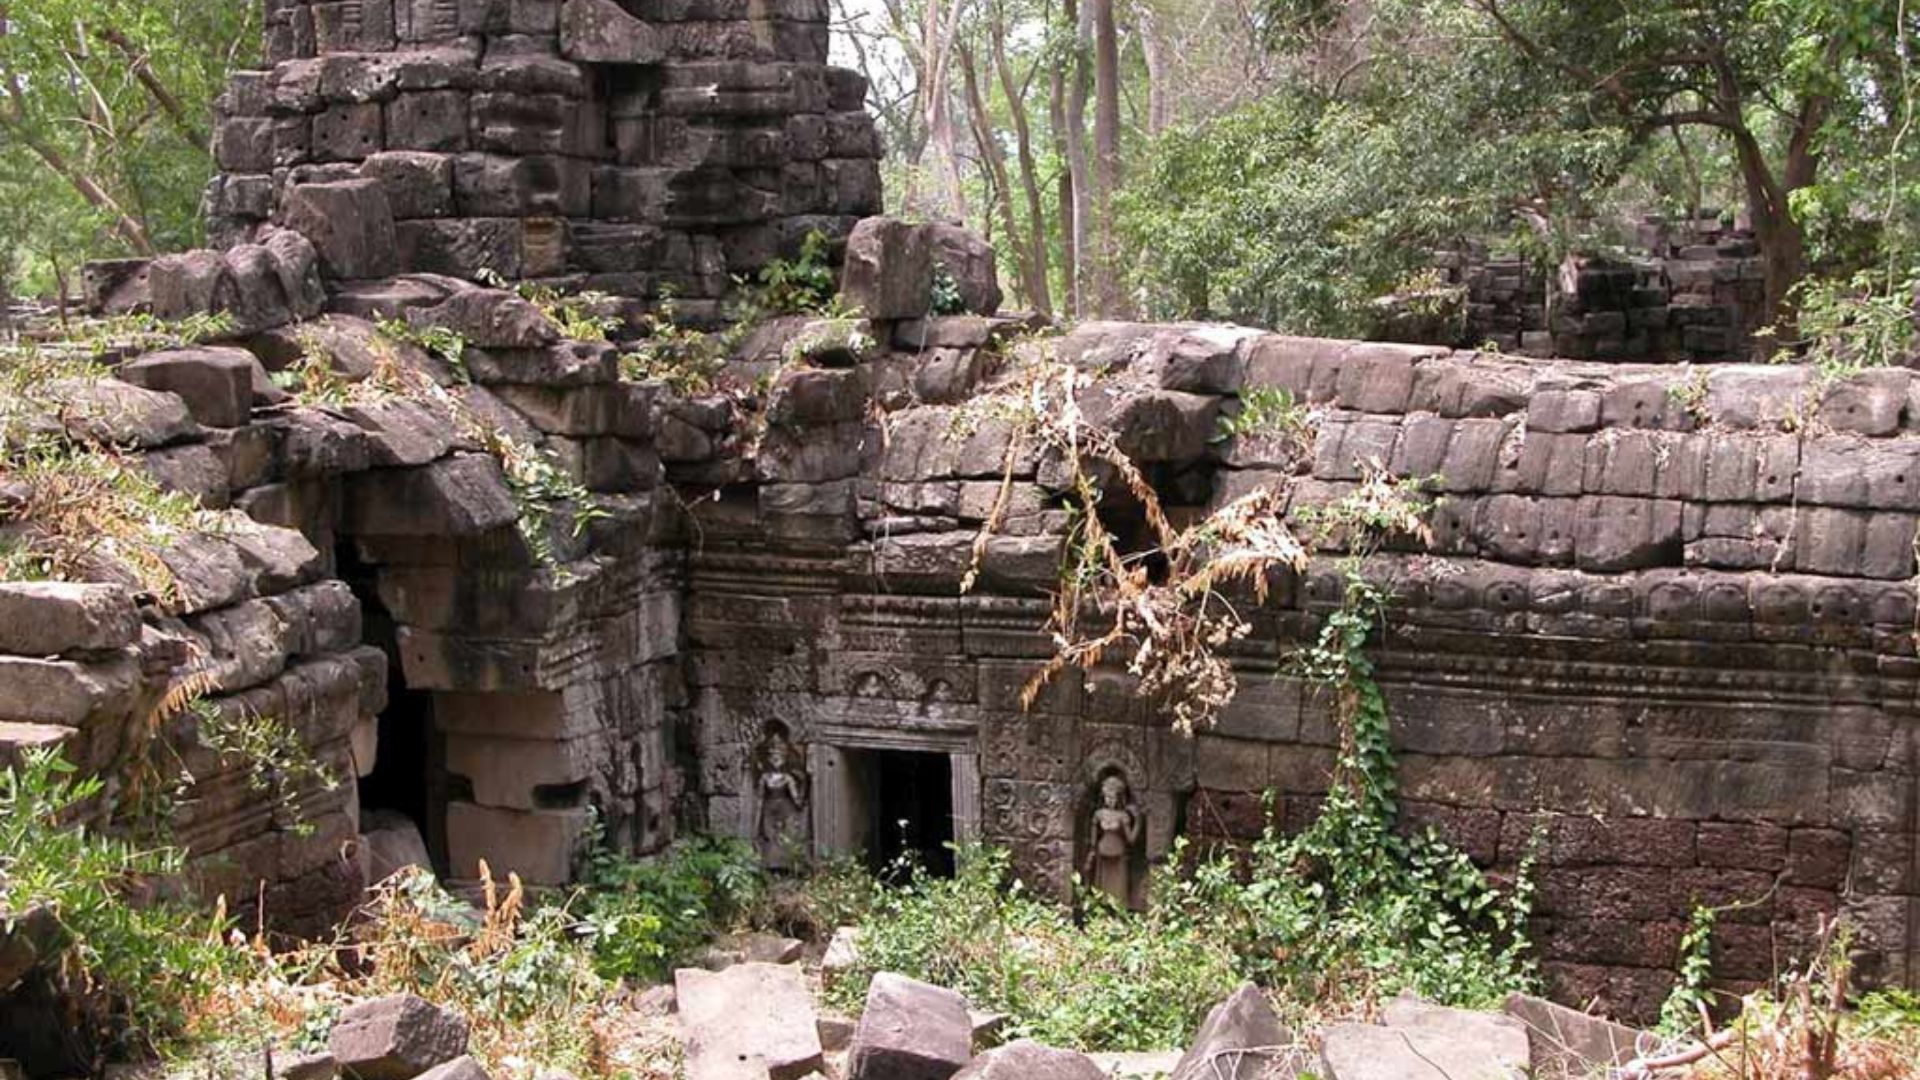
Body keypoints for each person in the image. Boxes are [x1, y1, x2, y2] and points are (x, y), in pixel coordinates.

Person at [1083, 773, 1142, 907]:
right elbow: (1093, 838)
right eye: (1107, 797)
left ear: (1119, 798)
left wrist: (1138, 821)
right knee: (1101, 887)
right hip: (1102, 854)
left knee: (1118, 888)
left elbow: (1131, 839)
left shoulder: (1123, 816)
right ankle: (1101, 910)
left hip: (1119, 854)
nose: (1109, 800)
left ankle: (1119, 910)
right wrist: (1091, 853)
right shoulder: (1099, 814)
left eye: (1112, 798)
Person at [756, 741, 808, 870]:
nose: (776, 761)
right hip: (769, 807)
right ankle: (769, 863)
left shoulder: (788, 778)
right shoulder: (764, 777)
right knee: (769, 834)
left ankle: (786, 864)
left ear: (784, 759)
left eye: (779, 758)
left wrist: (802, 794)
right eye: (773, 758)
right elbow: (760, 796)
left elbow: (795, 797)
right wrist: (757, 814)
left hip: (785, 807)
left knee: (786, 834)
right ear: (768, 759)